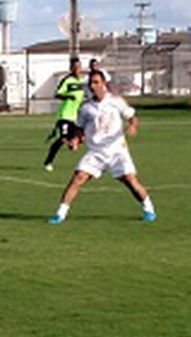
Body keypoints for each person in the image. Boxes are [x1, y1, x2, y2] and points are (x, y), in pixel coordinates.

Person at [48, 70, 156, 224]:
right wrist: (75, 141)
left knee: (131, 182)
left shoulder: (116, 101)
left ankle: (148, 208)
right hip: (95, 152)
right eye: (91, 83)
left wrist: (132, 126)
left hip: (117, 151)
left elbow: (132, 117)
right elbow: (79, 129)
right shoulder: (85, 107)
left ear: (104, 83)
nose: (93, 86)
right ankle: (60, 214)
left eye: (96, 82)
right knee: (77, 179)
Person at [43, 59, 87, 171]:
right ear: (70, 68)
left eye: (78, 67)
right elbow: (57, 94)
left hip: (76, 116)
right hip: (65, 115)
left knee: (80, 141)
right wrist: (68, 96)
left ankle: (65, 138)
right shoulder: (67, 80)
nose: (77, 69)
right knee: (62, 140)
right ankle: (48, 162)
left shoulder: (82, 82)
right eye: (74, 67)